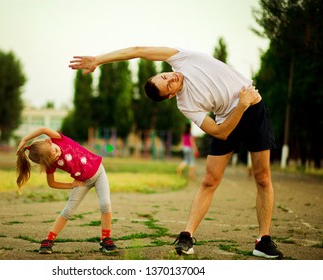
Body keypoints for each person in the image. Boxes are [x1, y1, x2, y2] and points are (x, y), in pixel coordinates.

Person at [69, 46, 283, 259]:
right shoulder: (186, 104)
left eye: (165, 75)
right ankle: (186, 236)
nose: (172, 77)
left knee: (263, 177)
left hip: (255, 110)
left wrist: (98, 59)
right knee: (210, 180)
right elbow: (221, 132)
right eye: (168, 84)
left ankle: (263, 241)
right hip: (227, 120)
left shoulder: (183, 59)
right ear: (171, 95)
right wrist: (240, 105)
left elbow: (138, 50)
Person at [16, 127, 117, 254]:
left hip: (99, 172)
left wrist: (25, 139)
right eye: (53, 157)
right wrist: (71, 185)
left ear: (49, 141)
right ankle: (48, 240)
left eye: (55, 151)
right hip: (82, 182)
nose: (57, 154)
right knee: (68, 210)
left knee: (105, 204)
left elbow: (43, 129)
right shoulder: (50, 163)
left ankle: (106, 239)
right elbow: (51, 183)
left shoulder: (59, 139)